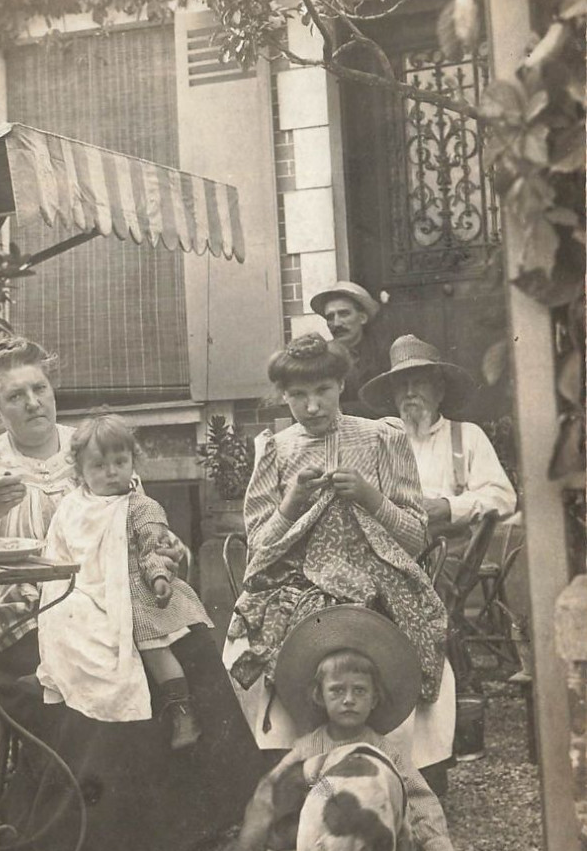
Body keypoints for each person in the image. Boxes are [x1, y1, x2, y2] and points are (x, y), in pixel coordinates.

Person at [0, 336, 263, 851]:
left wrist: (166, 545)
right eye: (16, 396)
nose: (33, 402)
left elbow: (136, 515)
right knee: (97, 668)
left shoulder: (87, 445)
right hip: (21, 616)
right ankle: (99, 835)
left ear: (53, 387)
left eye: (39, 388)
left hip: (110, 597)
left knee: (196, 649)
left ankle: (198, 821)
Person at [222, 606, 544, 851]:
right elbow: (275, 785)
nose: (348, 699)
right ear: (320, 696)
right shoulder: (308, 747)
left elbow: (418, 797)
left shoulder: (384, 749)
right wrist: (252, 834)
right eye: (338, 691)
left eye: (359, 691)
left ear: (375, 698)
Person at [222, 332, 455, 781]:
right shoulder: (276, 449)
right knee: (260, 638)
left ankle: (400, 766)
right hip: (298, 578)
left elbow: (414, 539)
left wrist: (372, 498)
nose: (312, 406)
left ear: (341, 386)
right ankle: (301, 766)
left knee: (403, 630)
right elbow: (259, 552)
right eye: (298, 395)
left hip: (379, 574)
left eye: (323, 391)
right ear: (284, 396)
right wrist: (290, 503)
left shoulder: (381, 438)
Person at [37, 411, 211, 749]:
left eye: (121, 461)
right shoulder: (73, 507)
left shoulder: (140, 506)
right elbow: (57, 549)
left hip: (136, 585)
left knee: (150, 640)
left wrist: (159, 575)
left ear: (134, 460)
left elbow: (154, 545)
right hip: (85, 588)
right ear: (80, 472)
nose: (112, 472)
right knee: (61, 622)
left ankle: (182, 709)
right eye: (100, 466)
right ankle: (66, 684)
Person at [359, 334, 517, 537]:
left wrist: (448, 507)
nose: (409, 393)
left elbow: (503, 499)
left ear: (439, 391)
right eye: (401, 385)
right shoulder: (381, 441)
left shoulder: (468, 436)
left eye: (419, 383)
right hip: (394, 552)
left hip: (453, 556)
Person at [309, 280, 380, 412]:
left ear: (363, 318)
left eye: (344, 314)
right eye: (330, 317)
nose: (336, 323)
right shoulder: (320, 357)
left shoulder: (383, 353)